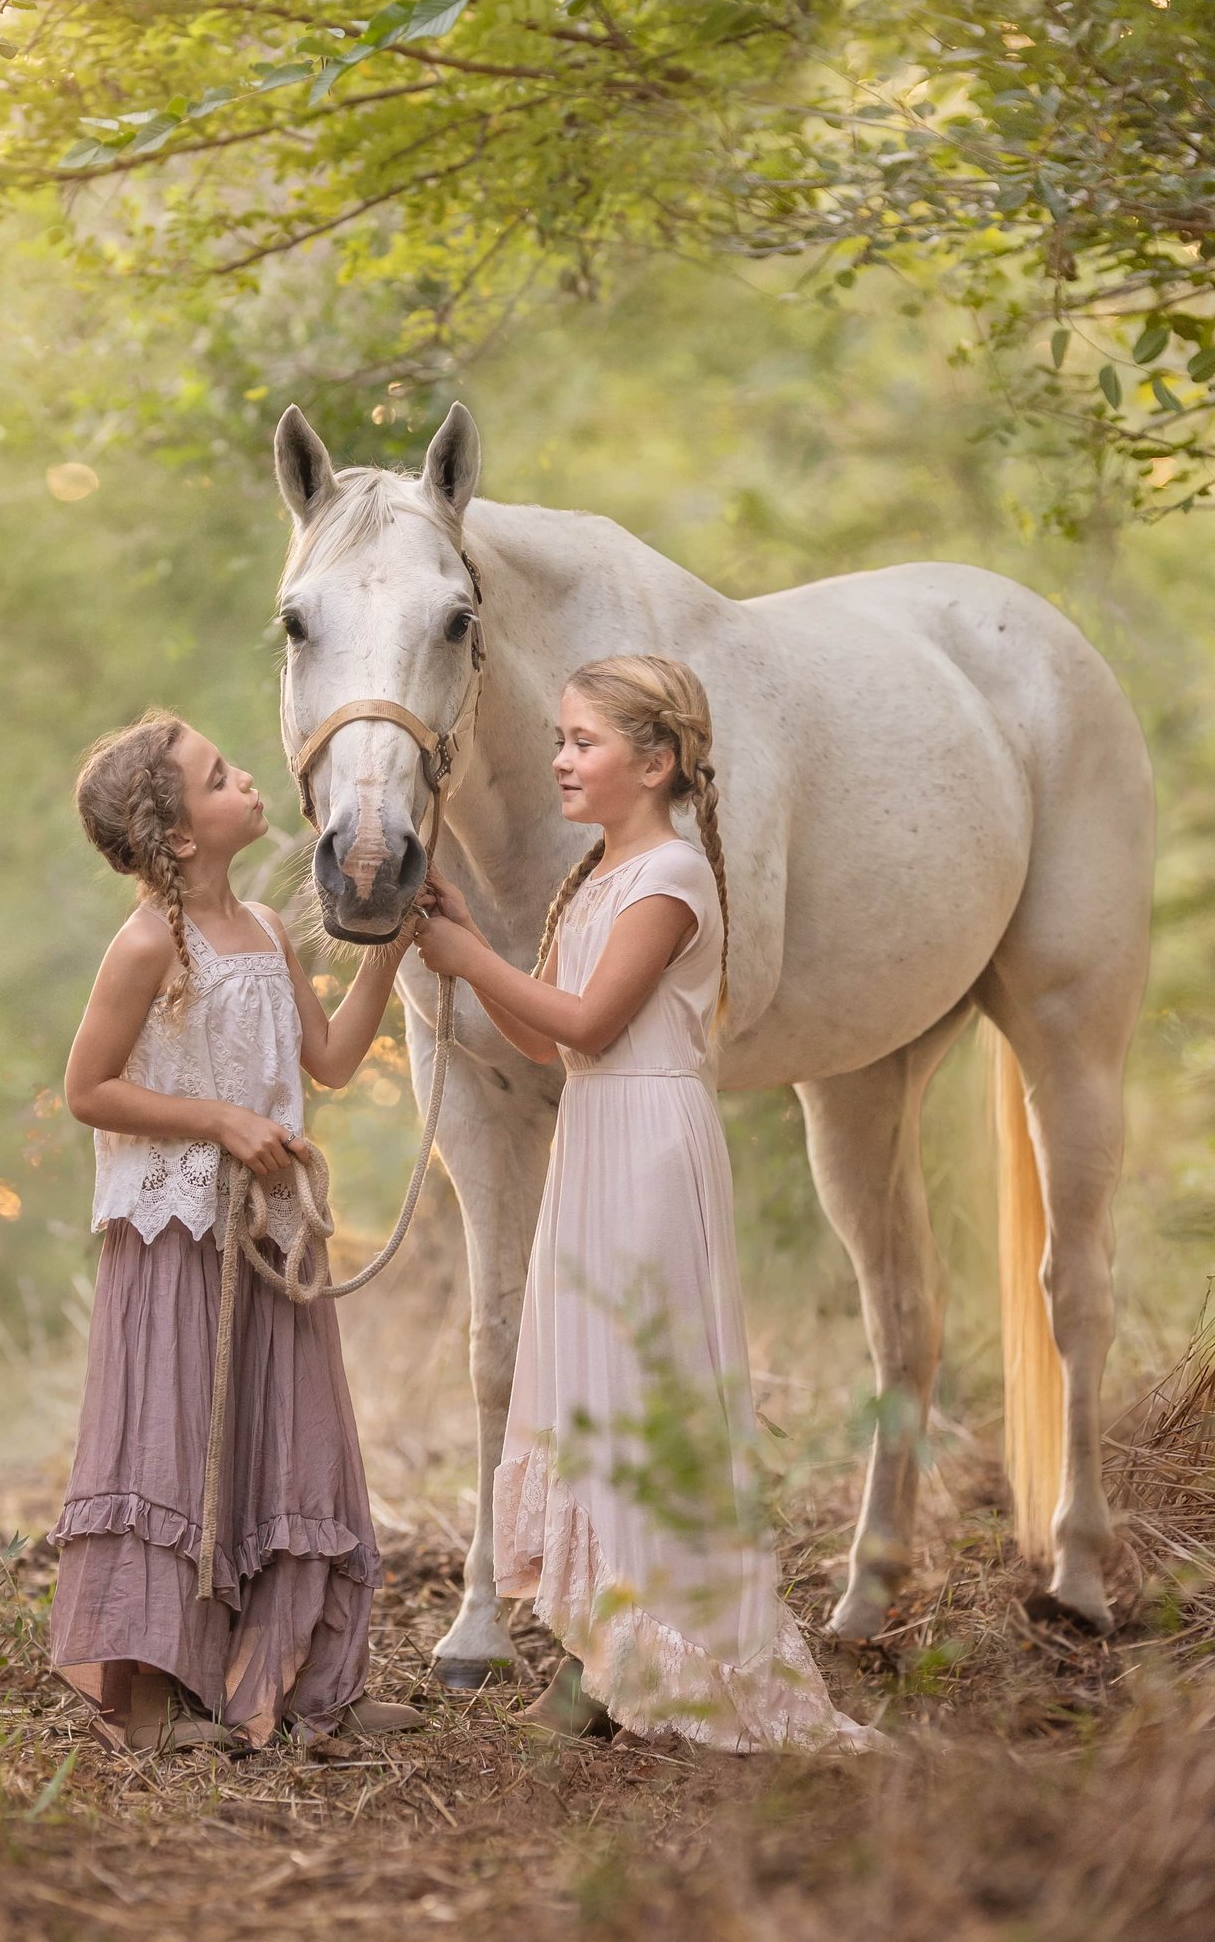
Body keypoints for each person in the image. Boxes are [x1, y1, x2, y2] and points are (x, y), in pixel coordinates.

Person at [416, 655, 874, 1752]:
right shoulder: (599, 873)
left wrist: (473, 949)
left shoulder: (669, 876)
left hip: (649, 1147)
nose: (561, 759)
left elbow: (587, 1023)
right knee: (591, 1383)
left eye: (582, 741)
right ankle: (607, 1650)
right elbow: (552, 1037)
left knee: (640, 1381)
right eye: (563, 738)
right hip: (597, 1130)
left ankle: (676, 1649)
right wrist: (468, 958)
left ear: (655, 760)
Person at [56, 709, 426, 1751]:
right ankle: (153, 1692)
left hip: (268, 1234)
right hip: (180, 1231)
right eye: (222, 776)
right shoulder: (141, 946)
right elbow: (89, 1088)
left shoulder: (264, 926)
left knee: (287, 1443)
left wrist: (387, 953)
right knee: (178, 1441)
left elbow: (332, 1063)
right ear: (180, 836)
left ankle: (307, 1684)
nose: (250, 780)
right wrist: (219, 1120)